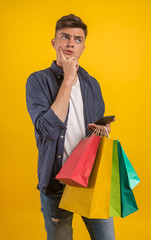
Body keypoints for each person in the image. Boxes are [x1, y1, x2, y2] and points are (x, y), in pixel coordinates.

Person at [26, 14, 116, 240]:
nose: (70, 43)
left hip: (89, 181)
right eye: (64, 37)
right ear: (54, 42)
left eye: (77, 39)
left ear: (82, 47)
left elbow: (91, 133)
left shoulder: (92, 84)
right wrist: (67, 79)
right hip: (56, 182)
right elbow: (47, 129)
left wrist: (101, 131)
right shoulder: (37, 81)